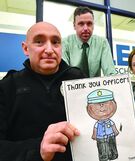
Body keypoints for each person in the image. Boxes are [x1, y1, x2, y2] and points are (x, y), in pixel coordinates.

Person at [0, 22, 85, 161]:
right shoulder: (7, 87)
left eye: (55, 42)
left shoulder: (79, 79)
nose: (49, 49)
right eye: (39, 42)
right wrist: (38, 149)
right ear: (25, 48)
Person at [62, 6, 116, 77]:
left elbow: (110, 73)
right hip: (72, 85)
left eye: (89, 24)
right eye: (81, 24)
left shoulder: (102, 43)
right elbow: (63, 74)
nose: (85, 28)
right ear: (74, 26)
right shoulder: (65, 43)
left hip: (96, 87)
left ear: (93, 26)